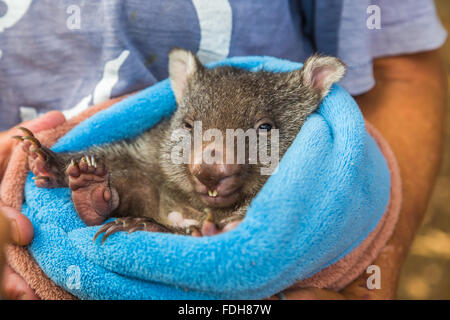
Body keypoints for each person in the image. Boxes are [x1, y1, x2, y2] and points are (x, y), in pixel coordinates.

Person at [0, 0, 447, 299]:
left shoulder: (305, 122)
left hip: (247, 221)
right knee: (126, 169)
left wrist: (368, 278)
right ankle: (107, 197)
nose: (214, 159)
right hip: (130, 197)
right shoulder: (176, 121)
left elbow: (399, 70)